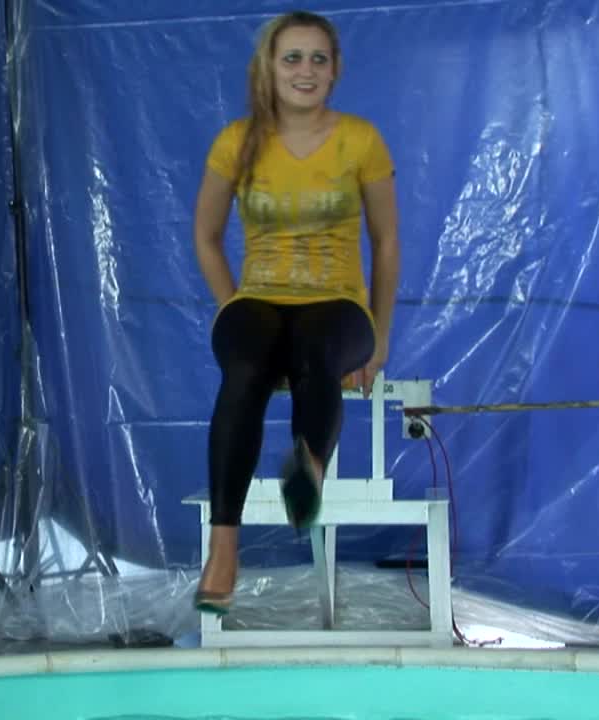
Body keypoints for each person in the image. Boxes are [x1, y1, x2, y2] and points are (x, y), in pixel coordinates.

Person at [191, 10, 400, 614]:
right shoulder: (237, 141)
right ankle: (223, 550)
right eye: (292, 58)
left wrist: (381, 335)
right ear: (269, 67)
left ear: (335, 71)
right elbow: (206, 236)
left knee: (314, 347)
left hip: (338, 306)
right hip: (259, 298)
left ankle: (308, 465)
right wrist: (232, 305)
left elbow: (386, 242)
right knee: (246, 366)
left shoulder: (360, 140)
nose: (304, 70)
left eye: (317, 59)